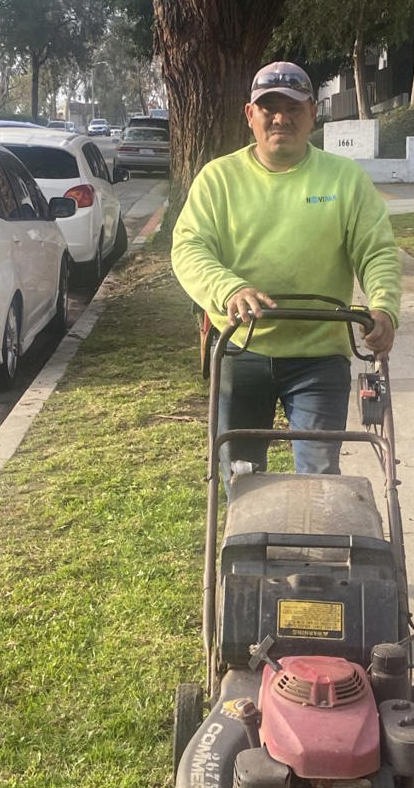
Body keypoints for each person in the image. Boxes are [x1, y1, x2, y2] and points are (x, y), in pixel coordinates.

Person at [171, 61, 401, 487]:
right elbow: (188, 247)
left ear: (313, 113)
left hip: (318, 353)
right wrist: (229, 289)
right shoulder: (218, 180)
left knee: (318, 479)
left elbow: (377, 251)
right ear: (250, 115)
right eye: (269, 107)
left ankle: (311, 552)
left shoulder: (345, 180)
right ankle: (249, 550)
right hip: (240, 349)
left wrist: (384, 306)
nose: (281, 117)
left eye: (293, 107)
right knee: (241, 476)